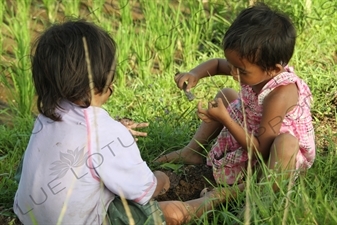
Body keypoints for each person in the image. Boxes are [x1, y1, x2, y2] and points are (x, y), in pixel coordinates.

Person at [13, 20, 236, 225]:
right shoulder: (107, 133)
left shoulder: (47, 115)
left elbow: (82, 143)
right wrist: (161, 180)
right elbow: (144, 191)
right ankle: (212, 199)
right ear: (103, 80)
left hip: (29, 215)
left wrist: (116, 129)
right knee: (170, 213)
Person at [156, 3, 315, 188]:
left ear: (273, 70)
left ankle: (260, 193)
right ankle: (192, 151)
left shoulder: (279, 95)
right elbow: (216, 64)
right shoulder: (251, 68)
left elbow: (260, 150)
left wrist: (225, 119)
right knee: (226, 95)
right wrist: (194, 74)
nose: (232, 73)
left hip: (274, 154)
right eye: (231, 65)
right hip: (254, 131)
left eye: (240, 70)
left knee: (285, 144)